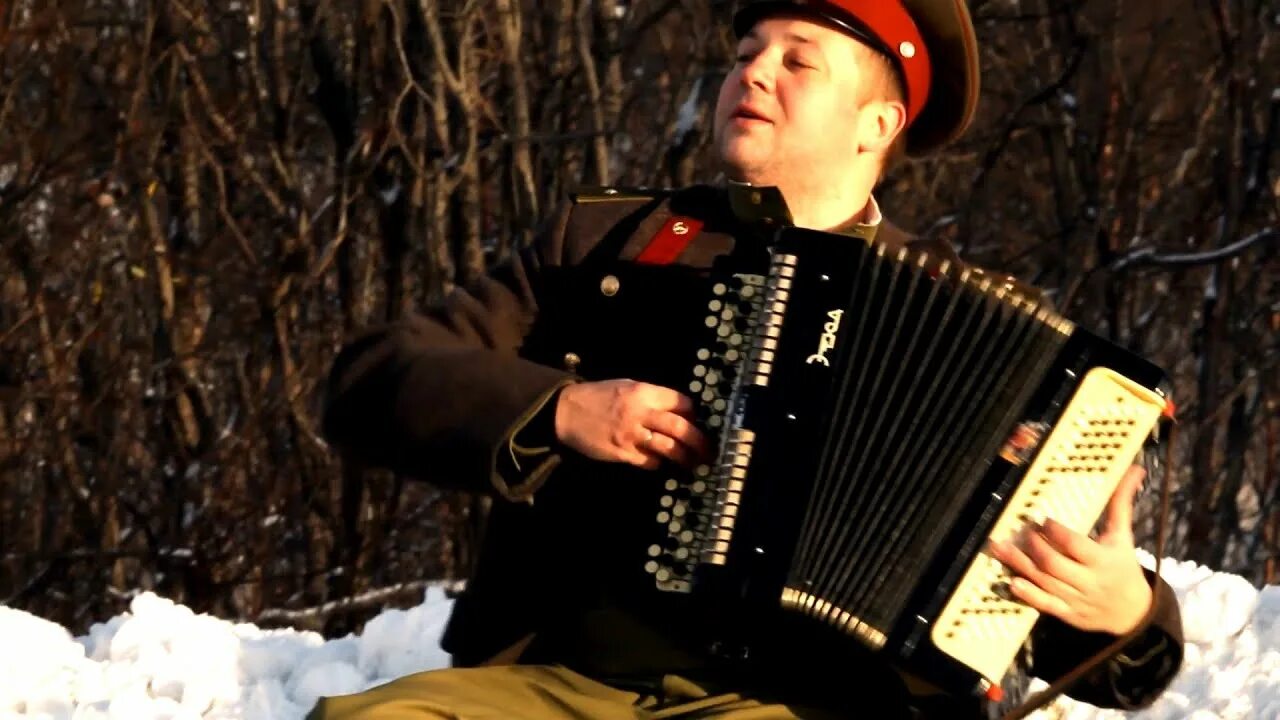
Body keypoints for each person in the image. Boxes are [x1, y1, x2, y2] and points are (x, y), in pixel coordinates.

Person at [310, 1, 1184, 717]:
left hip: (820, 704)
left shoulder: (992, 334)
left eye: (799, 61)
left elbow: (1074, 614)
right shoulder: (613, 245)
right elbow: (367, 382)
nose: (752, 73)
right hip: (568, 683)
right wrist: (562, 410)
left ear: (877, 124)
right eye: (745, 52)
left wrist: (1125, 614)